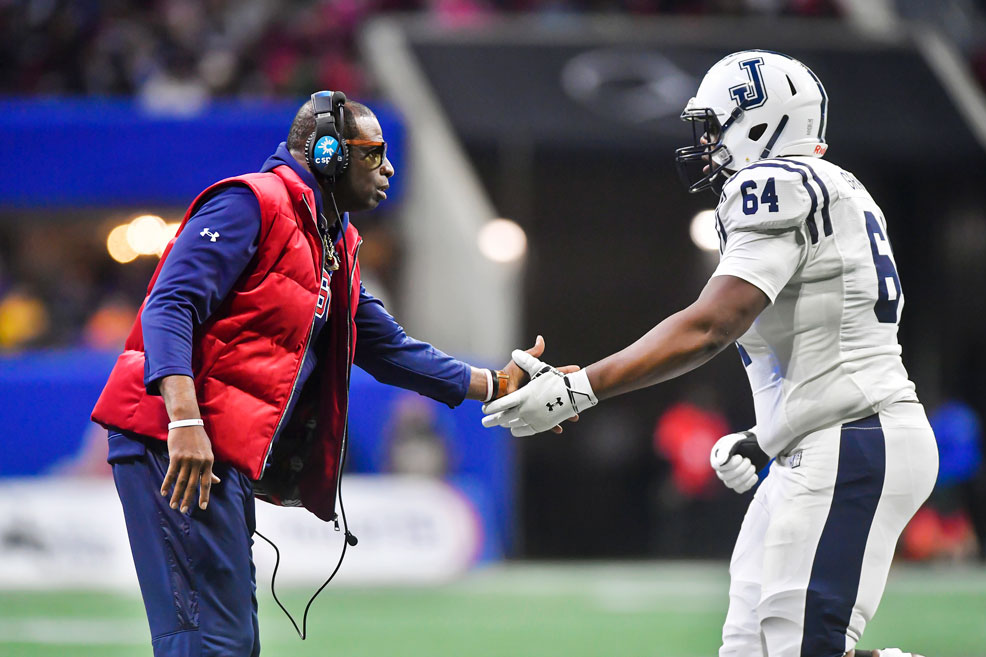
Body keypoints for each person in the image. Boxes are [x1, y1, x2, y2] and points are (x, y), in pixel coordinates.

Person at [483, 51, 936, 657]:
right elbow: (827, 341)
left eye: (714, 126)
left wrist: (583, 387)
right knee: (750, 648)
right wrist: (767, 434)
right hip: (829, 436)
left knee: (801, 646)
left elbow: (712, 325)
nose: (706, 144)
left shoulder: (773, 183)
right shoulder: (834, 187)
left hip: (850, 438)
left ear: (760, 122)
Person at [92, 91, 547, 656]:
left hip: (217, 448)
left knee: (230, 640)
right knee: (208, 640)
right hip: (177, 442)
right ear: (328, 153)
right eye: (373, 153)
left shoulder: (335, 241)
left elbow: (385, 347)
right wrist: (184, 422)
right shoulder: (248, 203)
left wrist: (494, 385)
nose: (389, 167)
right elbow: (169, 305)